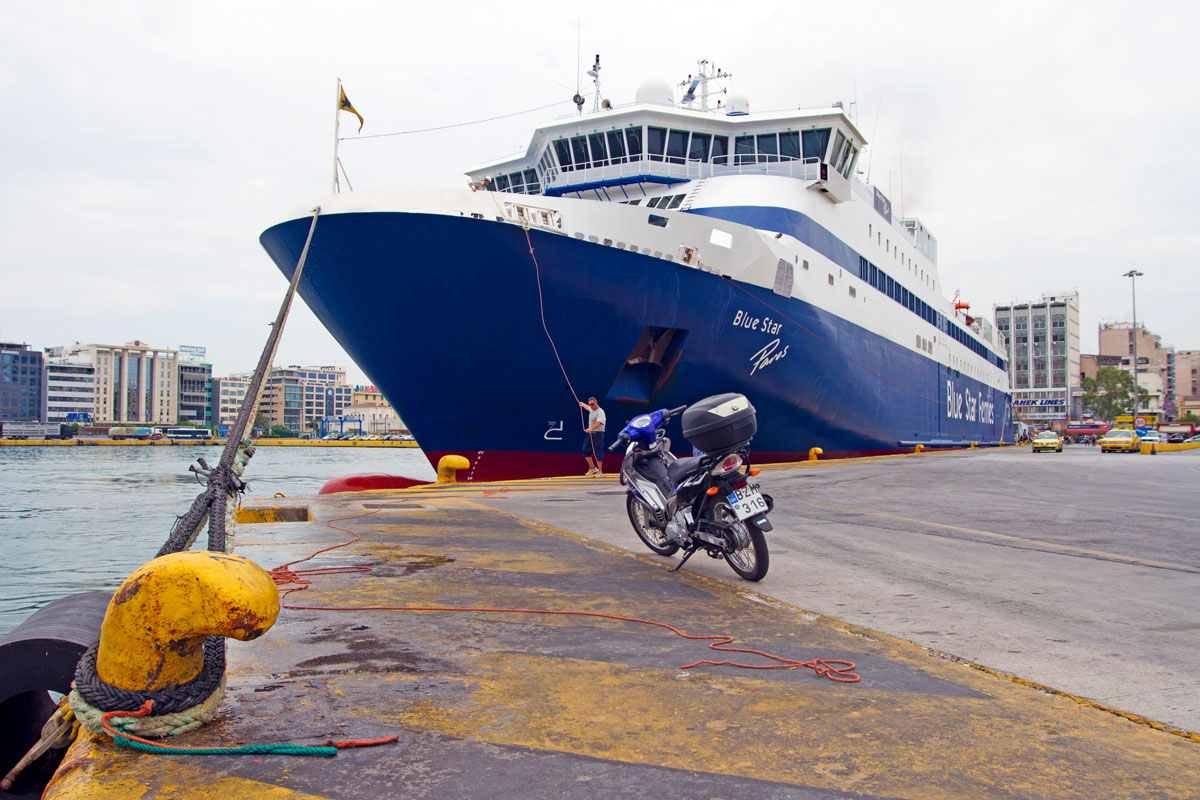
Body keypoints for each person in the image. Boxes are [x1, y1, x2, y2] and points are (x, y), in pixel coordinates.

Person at [580, 396, 606, 476]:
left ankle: (600, 472)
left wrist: (591, 428)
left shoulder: (600, 412)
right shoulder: (591, 409)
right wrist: (582, 404)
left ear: (596, 403)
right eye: (590, 404)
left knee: (598, 452)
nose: (591, 406)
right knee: (585, 451)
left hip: (598, 434)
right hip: (590, 434)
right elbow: (587, 407)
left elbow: (599, 422)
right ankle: (592, 468)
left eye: (592, 404)